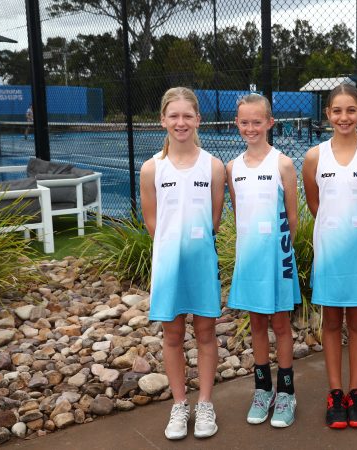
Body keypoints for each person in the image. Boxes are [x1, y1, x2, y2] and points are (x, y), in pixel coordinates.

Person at [301, 83, 357, 429]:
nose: (343, 117)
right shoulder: (314, 157)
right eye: (337, 111)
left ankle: (356, 392)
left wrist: (354, 235)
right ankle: (335, 393)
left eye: (350, 110)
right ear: (327, 114)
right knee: (332, 321)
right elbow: (315, 204)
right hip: (329, 253)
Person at [140, 87, 225, 440]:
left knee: (206, 334)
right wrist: (174, 249)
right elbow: (152, 223)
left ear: (198, 120)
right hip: (168, 266)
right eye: (173, 116)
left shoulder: (214, 166)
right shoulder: (151, 168)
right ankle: (179, 404)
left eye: (187, 116)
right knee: (172, 335)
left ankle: (205, 404)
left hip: (201, 263)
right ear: (163, 120)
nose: (180, 122)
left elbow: (215, 221)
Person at [226, 93, 301, 428]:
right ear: (237, 124)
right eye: (245, 122)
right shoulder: (232, 168)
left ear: (270, 122)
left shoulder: (283, 164)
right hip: (249, 260)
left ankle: (286, 393)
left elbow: (293, 219)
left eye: (258, 121)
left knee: (281, 325)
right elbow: (239, 213)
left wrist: (281, 252)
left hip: (278, 258)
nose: (251, 128)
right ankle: (263, 390)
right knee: (257, 325)